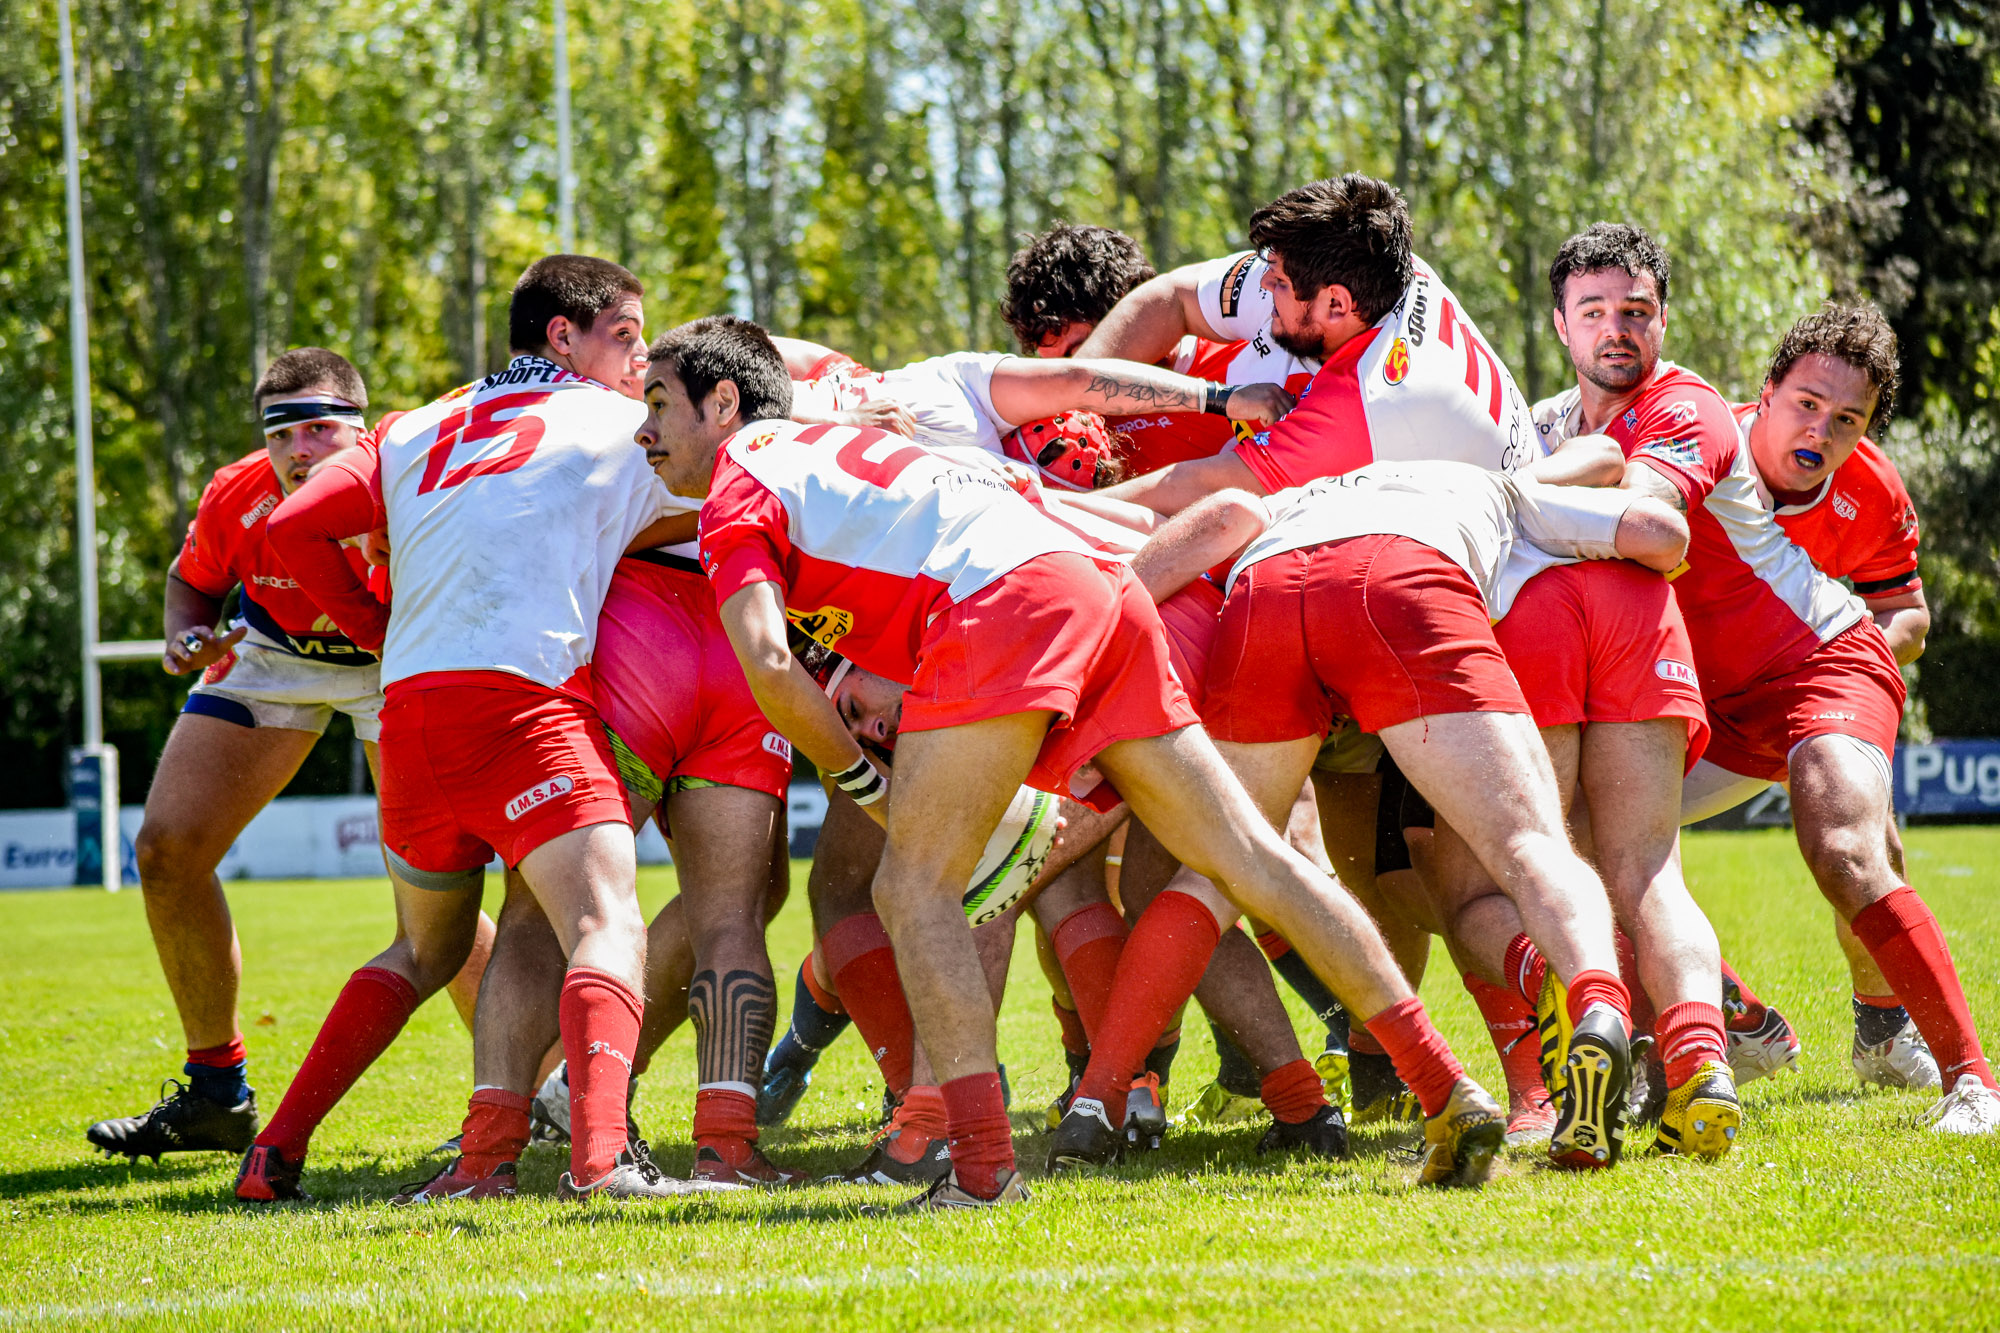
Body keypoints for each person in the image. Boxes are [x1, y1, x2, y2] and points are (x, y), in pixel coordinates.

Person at [646, 315, 1506, 1205]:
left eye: (657, 403)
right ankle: (1448, 1086)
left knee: (911, 888)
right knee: (1248, 856)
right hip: (1098, 583)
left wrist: (862, 780)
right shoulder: (847, 432)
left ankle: (978, 1169)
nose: (643, 430)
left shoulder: (735, 487)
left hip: (1002, 602)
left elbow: (771, 665)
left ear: (723, 404)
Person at [240, 255, 701, 1203]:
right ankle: (606, 1161)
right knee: (604, 917)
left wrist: (376, 632)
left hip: (409, 710)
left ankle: (279, 1152)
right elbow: (724, 499)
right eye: (625, 333)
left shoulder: (418, 423)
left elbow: (290, 527)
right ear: (562, 336)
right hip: (521, 699)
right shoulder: (625, 423)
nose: (640, 354)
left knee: (424, 948)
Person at [1086, 461, 1689, 1171]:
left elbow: (1223, 521)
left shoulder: (1310, 487)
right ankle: (1597, 1004)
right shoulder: (1495, 483)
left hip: (1270, 588)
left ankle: (1096, 1099)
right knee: (1529, 844)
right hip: (1402, 574)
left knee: (1222, 866)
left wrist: (1088, 632)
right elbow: (1657, 531)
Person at [1537, 223, 1999, 1134]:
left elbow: (1650, 514)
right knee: (1577, 840)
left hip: (1822, 660)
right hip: (1713, 701)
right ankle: (1737, 1020)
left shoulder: (1688, 409)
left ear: (1664, 321)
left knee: (1844, 846)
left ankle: (1973, 1082)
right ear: (1562, 325)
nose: (1819, 431)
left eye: (1634, 311)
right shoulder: (1549, 423)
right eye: (1594, 312)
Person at [86, 348, 493, 1164]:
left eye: (318, 429)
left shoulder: (414, 477)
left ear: (363, 429)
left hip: (393, 660)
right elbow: (190, 580)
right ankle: (216, 1095)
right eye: (282, 436)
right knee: (166, 850)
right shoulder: (237, 491)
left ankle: (532, 1091)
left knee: (431, 899)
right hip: (276, 655)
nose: (299, 451)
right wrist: (184, 635)